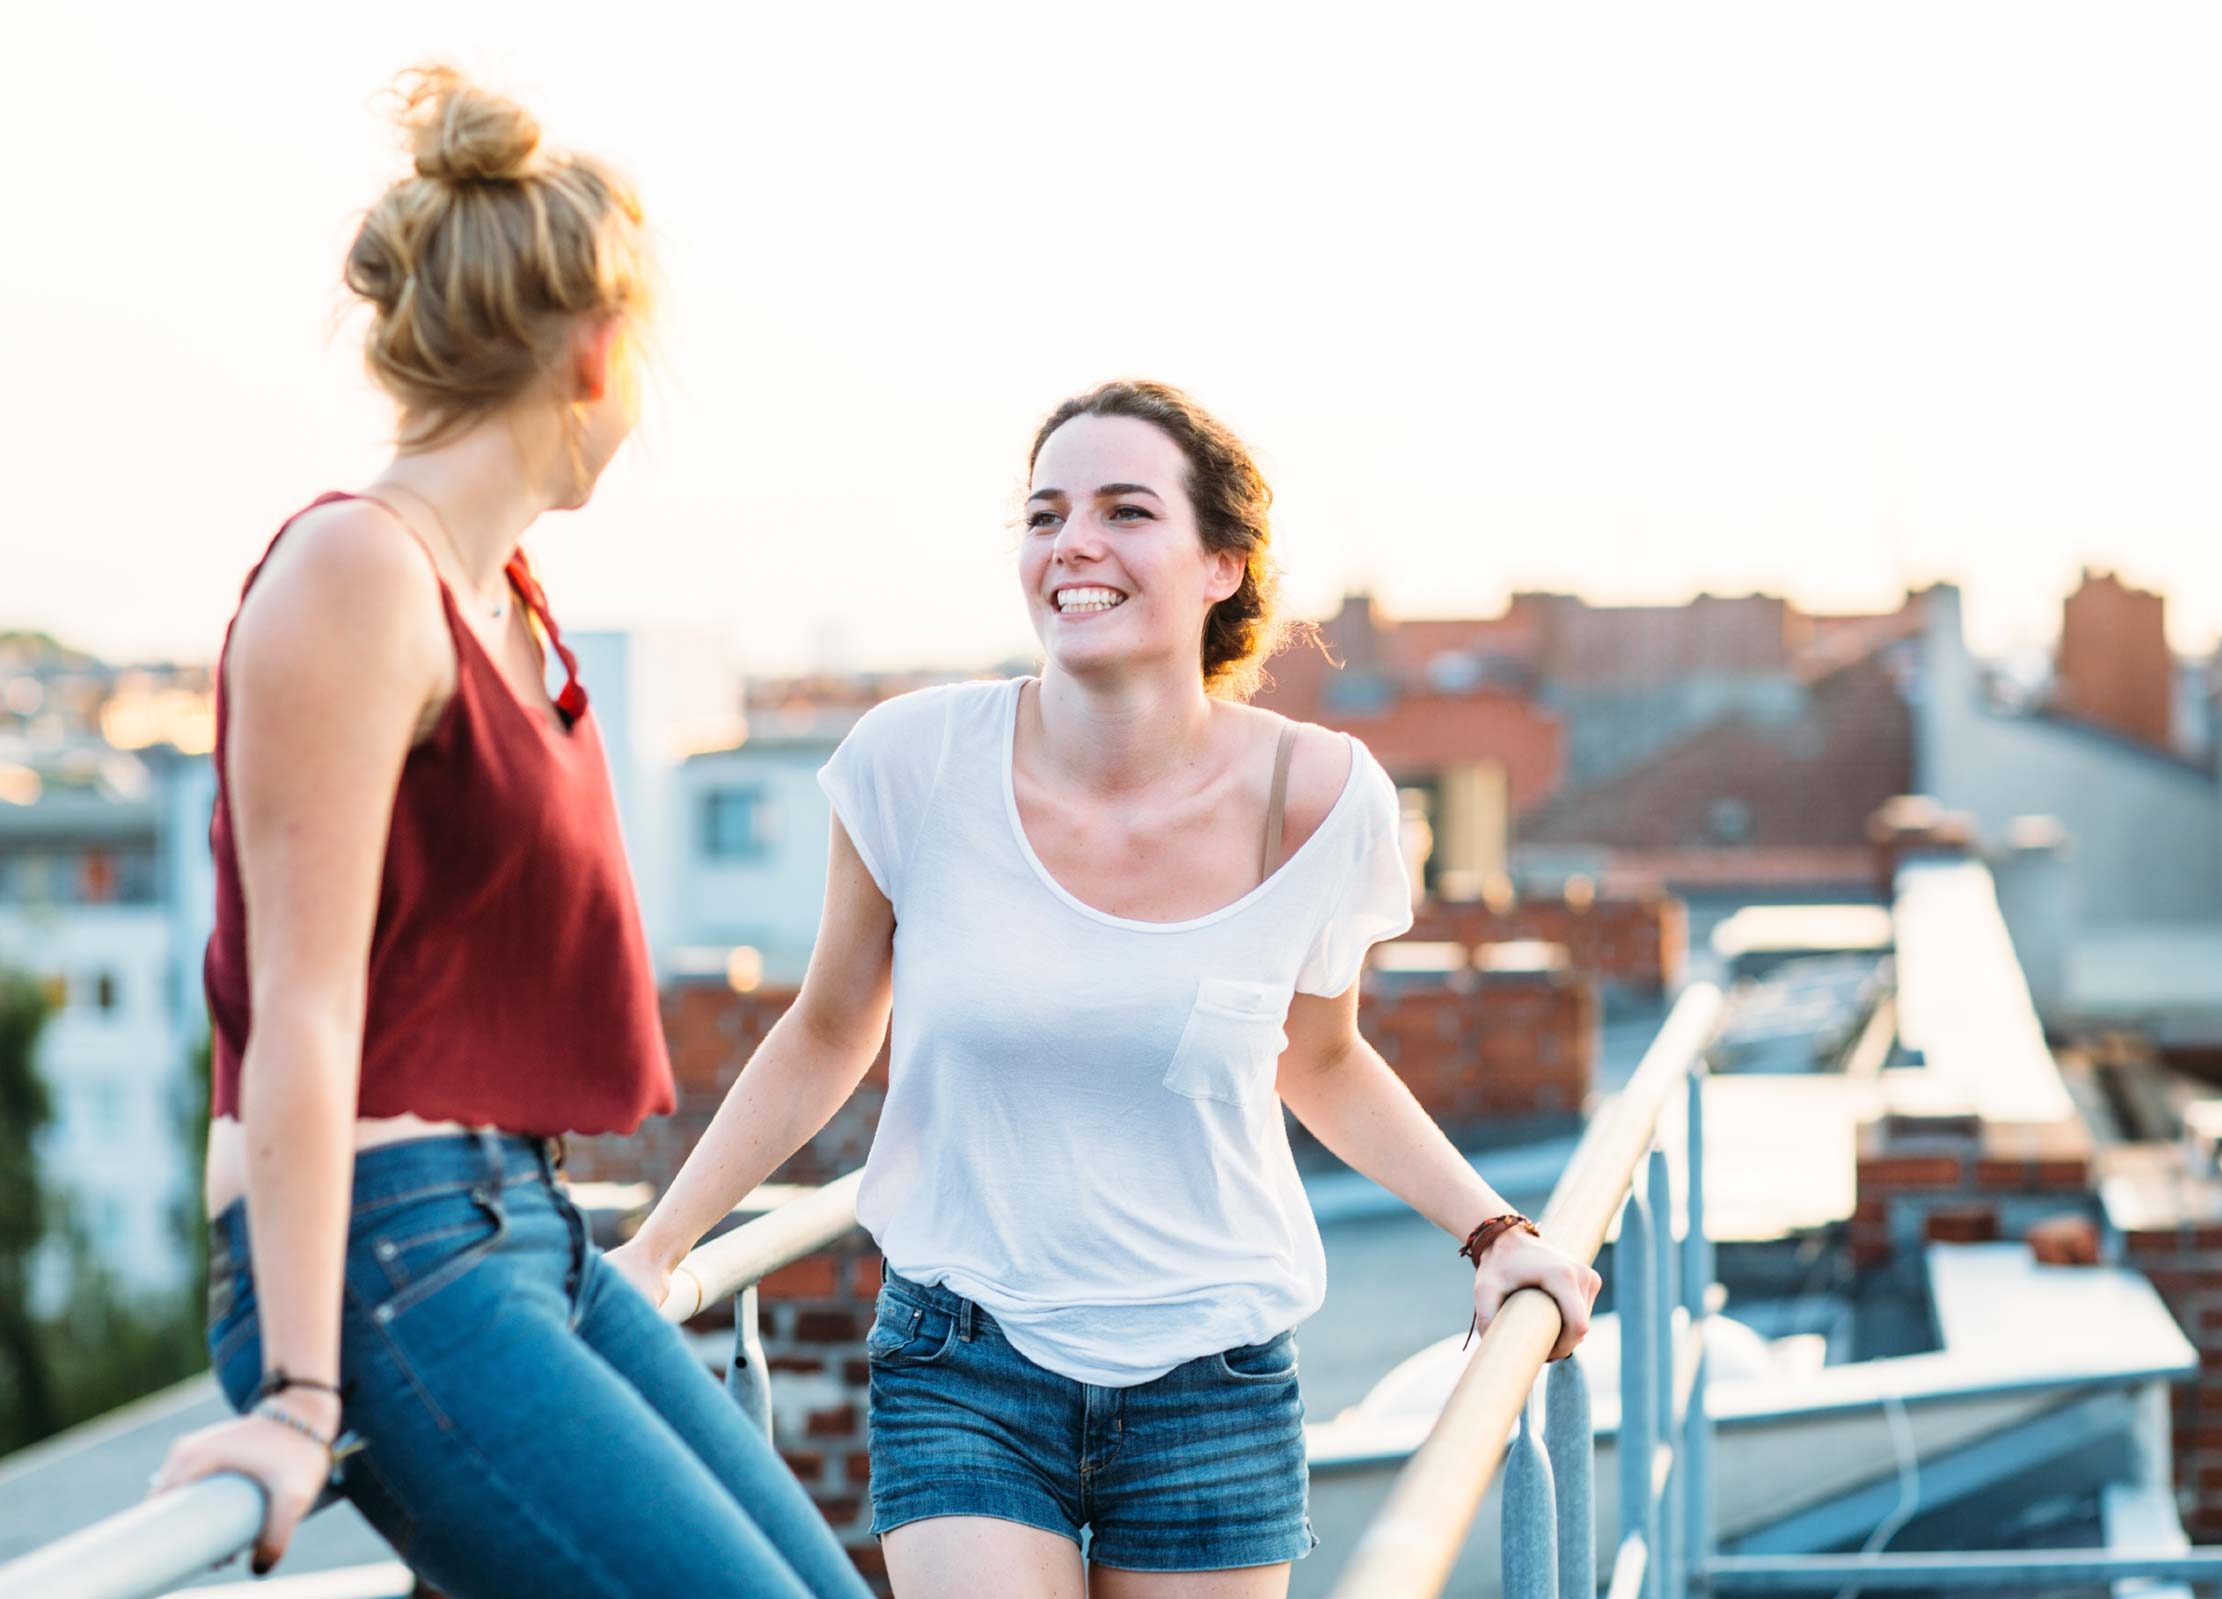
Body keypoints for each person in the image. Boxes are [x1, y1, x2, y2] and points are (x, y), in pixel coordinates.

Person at [611, 380, 1601, 1597]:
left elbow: (1322, 1057)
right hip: (962, 1356)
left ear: (1221, 565)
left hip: (1214, 1374)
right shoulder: (911, 763)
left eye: (1126, 510)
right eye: (1044, 514)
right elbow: (825, 1030)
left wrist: (1494, 1233)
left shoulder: (1321, 798)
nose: (1073, 542)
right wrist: (660, 1250)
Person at [150, 67, 868, 1599]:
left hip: (520, 1225)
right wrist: (294, 1395)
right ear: (598, 352)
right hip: (389, 1259)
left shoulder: (507, 597)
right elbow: (304, 1005)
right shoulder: (357, 571)